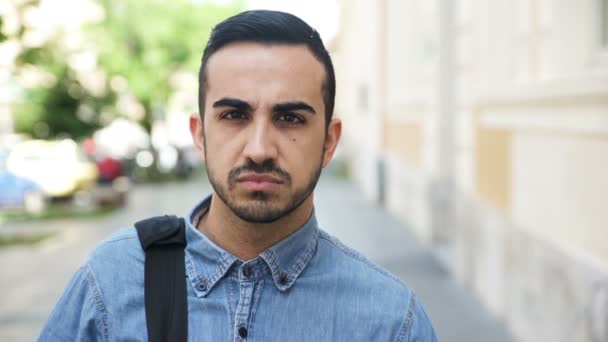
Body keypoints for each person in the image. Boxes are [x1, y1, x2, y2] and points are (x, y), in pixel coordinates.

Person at [39, 10, 438, 341]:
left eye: (290, 118)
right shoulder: (112, 281)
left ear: (330, 142)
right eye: (234, 116)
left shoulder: (388, 321)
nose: (260, 148)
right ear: (200, 134)